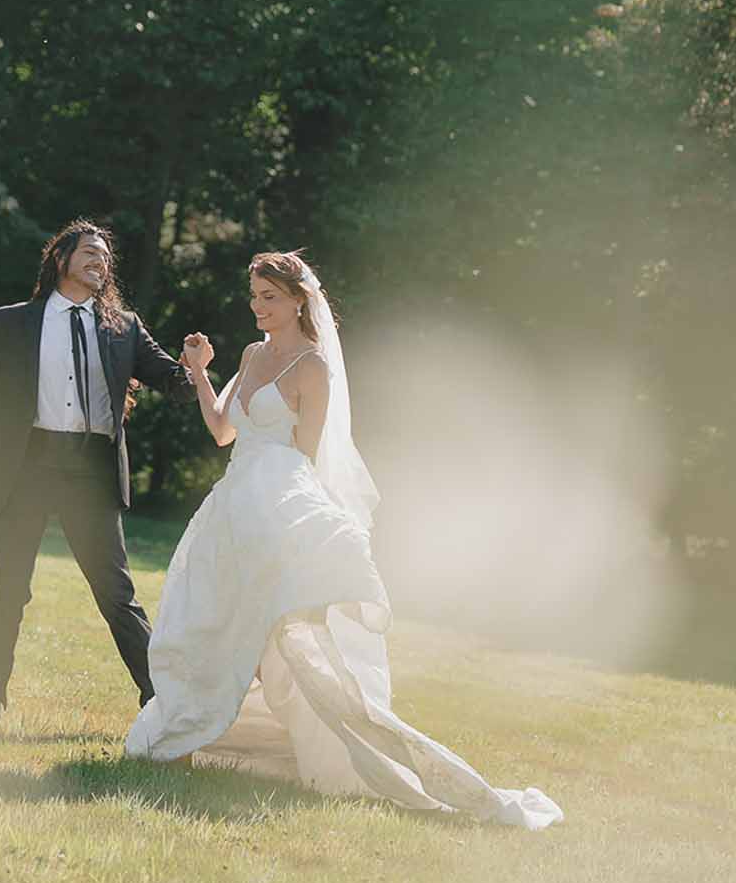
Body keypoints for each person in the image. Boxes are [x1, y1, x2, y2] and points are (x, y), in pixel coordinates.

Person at [125, 252, 563, 827]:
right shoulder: (253, 354)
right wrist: (202, 371)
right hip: (232, 503)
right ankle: (179, 735)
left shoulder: (313, 368)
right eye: (255, 297)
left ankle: (355, 752)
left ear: (299, 300)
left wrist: (287, 514)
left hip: (277, 500)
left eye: (270, 298)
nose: (258, 308)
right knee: (200, 618)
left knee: (293, 638)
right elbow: (224, 430)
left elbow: (306, 451)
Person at [0, 219, 193, 718]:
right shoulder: (14, 323)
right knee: (10, 590)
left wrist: (196, 370)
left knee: (118, 595)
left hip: (91, 473)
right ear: (61, 260)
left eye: (105, 258)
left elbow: (172, 381)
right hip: (27, 469)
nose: (101, 263)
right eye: (90, 254)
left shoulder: (123, 328)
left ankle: (161, 700)